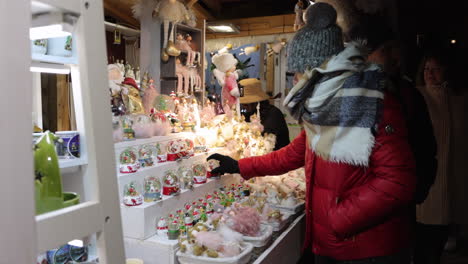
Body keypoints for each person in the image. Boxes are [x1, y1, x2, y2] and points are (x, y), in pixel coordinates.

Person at [208, 3, 416, 264]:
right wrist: (240, 165)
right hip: (330, 244)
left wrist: (337, 218)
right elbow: (294, 154)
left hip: (366, 250)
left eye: (298, 72)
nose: (295, 81)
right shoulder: (322, 109)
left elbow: (398, 181)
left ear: (319, 70)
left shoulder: (370, 102)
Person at [413, 52, 458, 264]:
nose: (430, 73)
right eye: (426, 69)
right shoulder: (417, 95)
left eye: (435, 68)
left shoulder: (457, 98)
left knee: (444, 228)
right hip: (427, 175)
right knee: (425, 233)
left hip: (452, 172)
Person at [238, 78, 290, 150]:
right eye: (242, 104)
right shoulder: (253, 112)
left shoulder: (273, 115)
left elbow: (267, 146)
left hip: (278, 156)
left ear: (256, 102)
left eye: (246, 104)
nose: (243, 106)